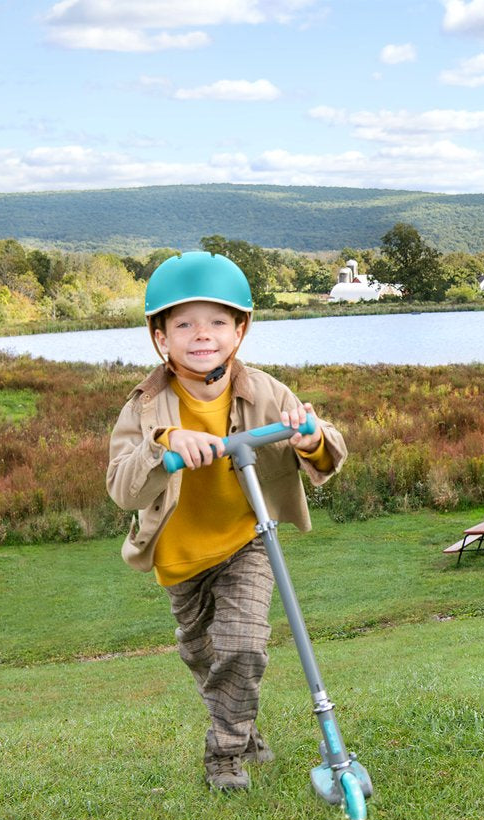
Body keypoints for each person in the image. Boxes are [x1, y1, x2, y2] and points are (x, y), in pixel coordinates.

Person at [107, 251, 347, 788]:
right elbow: (122, 487)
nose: (202, 334)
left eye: (218, 321)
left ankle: (223, 756)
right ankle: (245, 730)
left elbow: (327, 443)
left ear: (239, 331)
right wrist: (163, 444)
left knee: (242, 645)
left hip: (247, 541)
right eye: (184, 323)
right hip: (179, 557)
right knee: (209, 661)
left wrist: (311, 437)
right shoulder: (144, 409)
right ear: (161, 337)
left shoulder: (264, 390)